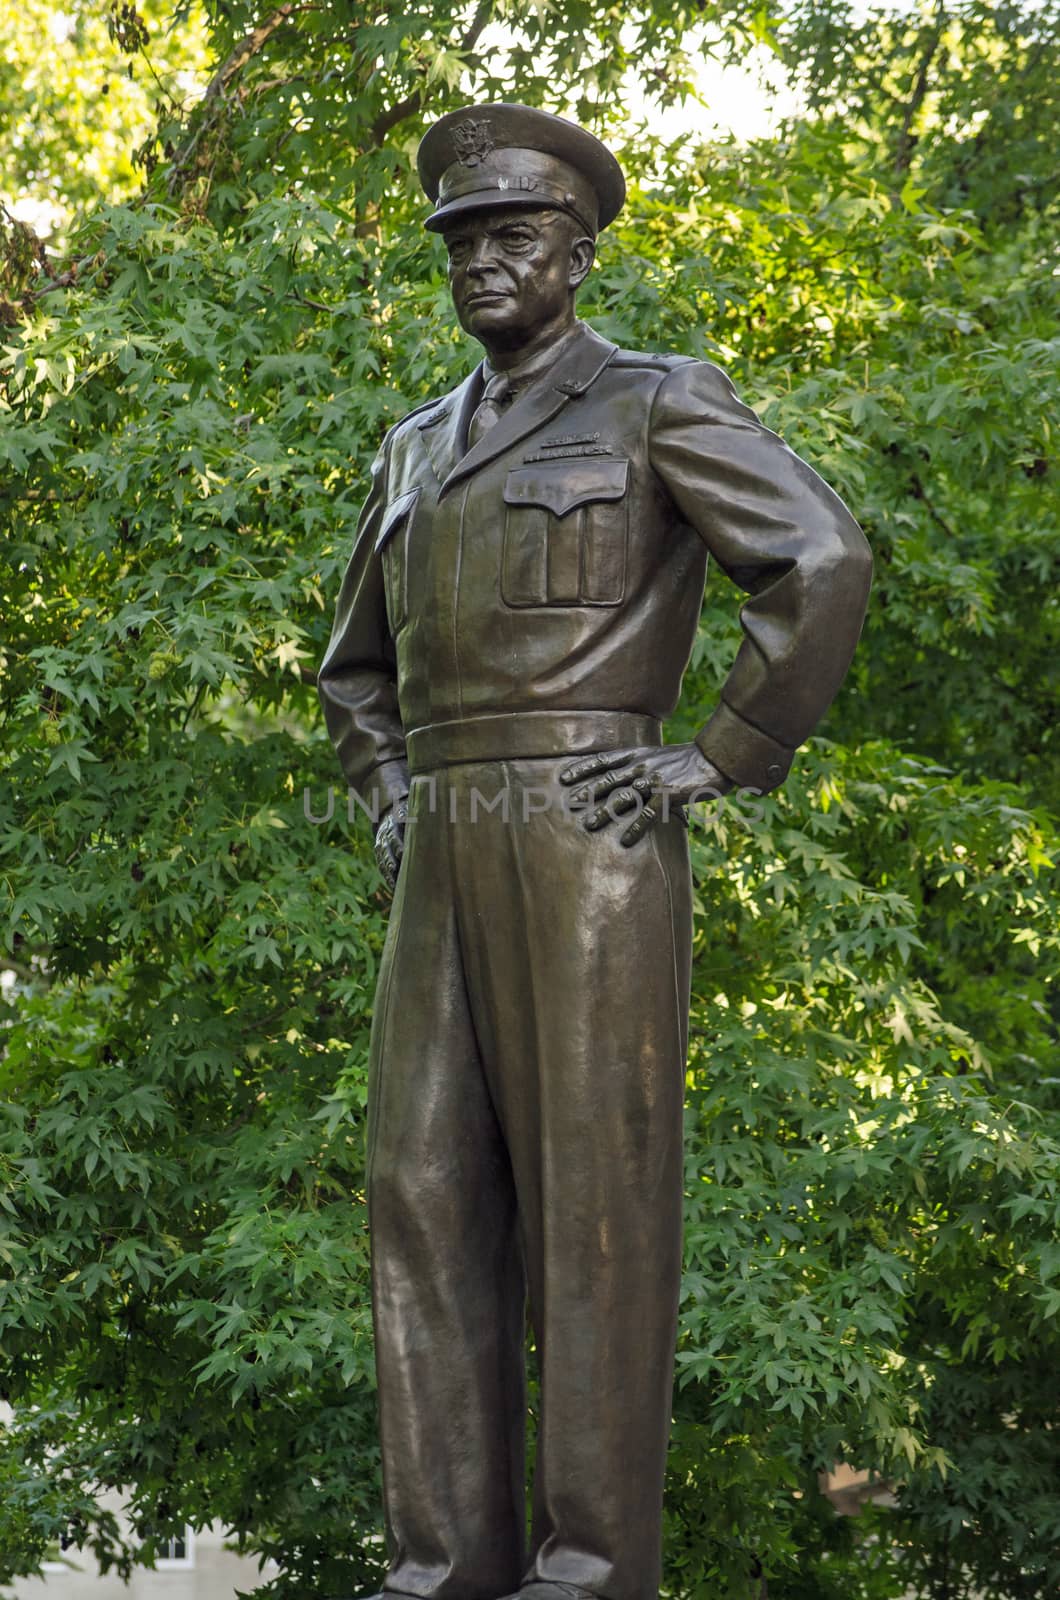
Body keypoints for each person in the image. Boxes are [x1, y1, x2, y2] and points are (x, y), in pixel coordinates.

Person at [318, 101, 872, 1600]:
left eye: (513, 237)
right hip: (442, 829)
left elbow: (818, 561)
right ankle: (442, 1563)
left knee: (594, 1202)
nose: (483, 263)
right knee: (424, 1194)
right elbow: (351, 673)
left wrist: (724, 752)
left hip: (591, 826)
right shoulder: (415, 445)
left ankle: (591, 1568)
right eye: (461, 244)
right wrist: (385, 801)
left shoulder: (656, 400)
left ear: (577, 251)